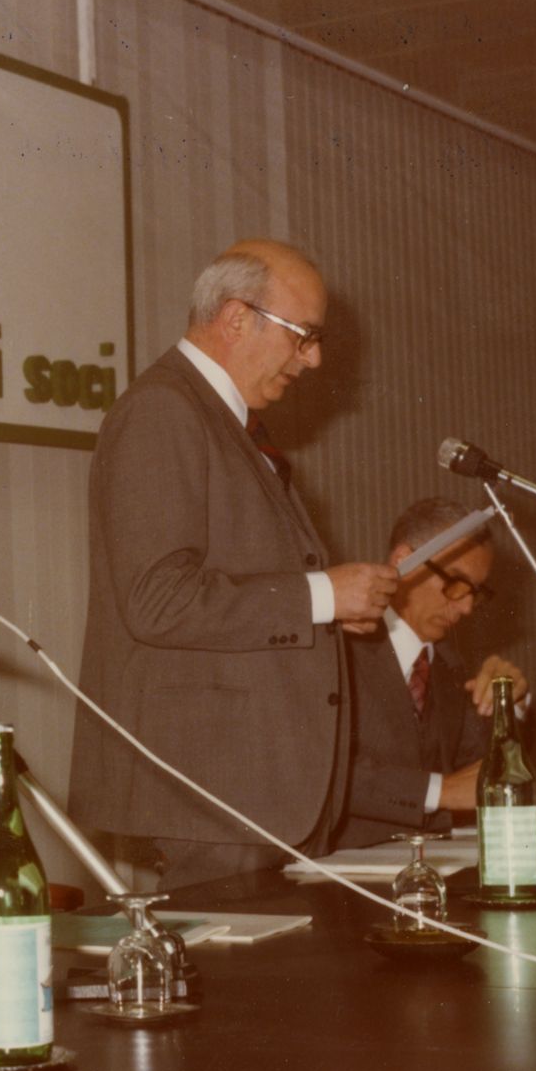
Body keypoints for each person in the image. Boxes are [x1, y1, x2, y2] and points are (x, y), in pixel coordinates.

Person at [69, 239, 400, 883]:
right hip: (214, 789)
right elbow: (157, 600)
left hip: (252, 789)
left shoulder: (218, 419)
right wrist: (322, 598)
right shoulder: (163, 411)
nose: (314, 359)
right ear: (236, 317)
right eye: (303, 336)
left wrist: (328, 612)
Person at [329, 498, 529, 850]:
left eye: (476, 593)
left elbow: (477, 775)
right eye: (456, 584)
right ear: (405, 561)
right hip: (340, 869)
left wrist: (510, 705)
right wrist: (441, 791)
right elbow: (324, 769)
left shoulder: (448, 665)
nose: (467, 607)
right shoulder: (335, 650)